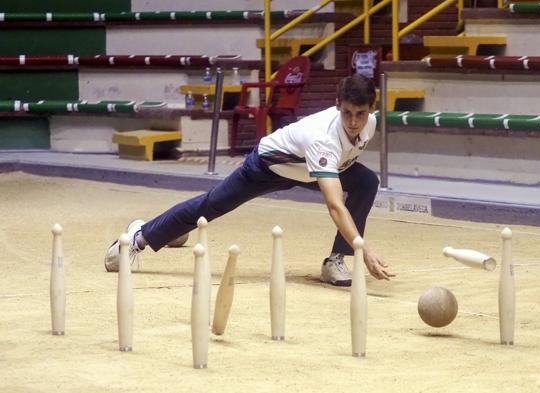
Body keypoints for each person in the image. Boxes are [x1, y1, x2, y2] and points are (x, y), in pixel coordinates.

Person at [105, 74, 394, 286]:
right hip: (267, 167)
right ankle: (138, 237)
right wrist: (364, 248)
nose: (353, 121)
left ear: (371, 109)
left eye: (360, 113)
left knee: (366, 181)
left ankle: (335, 262)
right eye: (346, 113)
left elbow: (339, 173)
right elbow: (334, 205)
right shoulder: (324, 139)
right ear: (337, 106)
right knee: (211, 206)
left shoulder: (370, 123)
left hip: (308, 169)